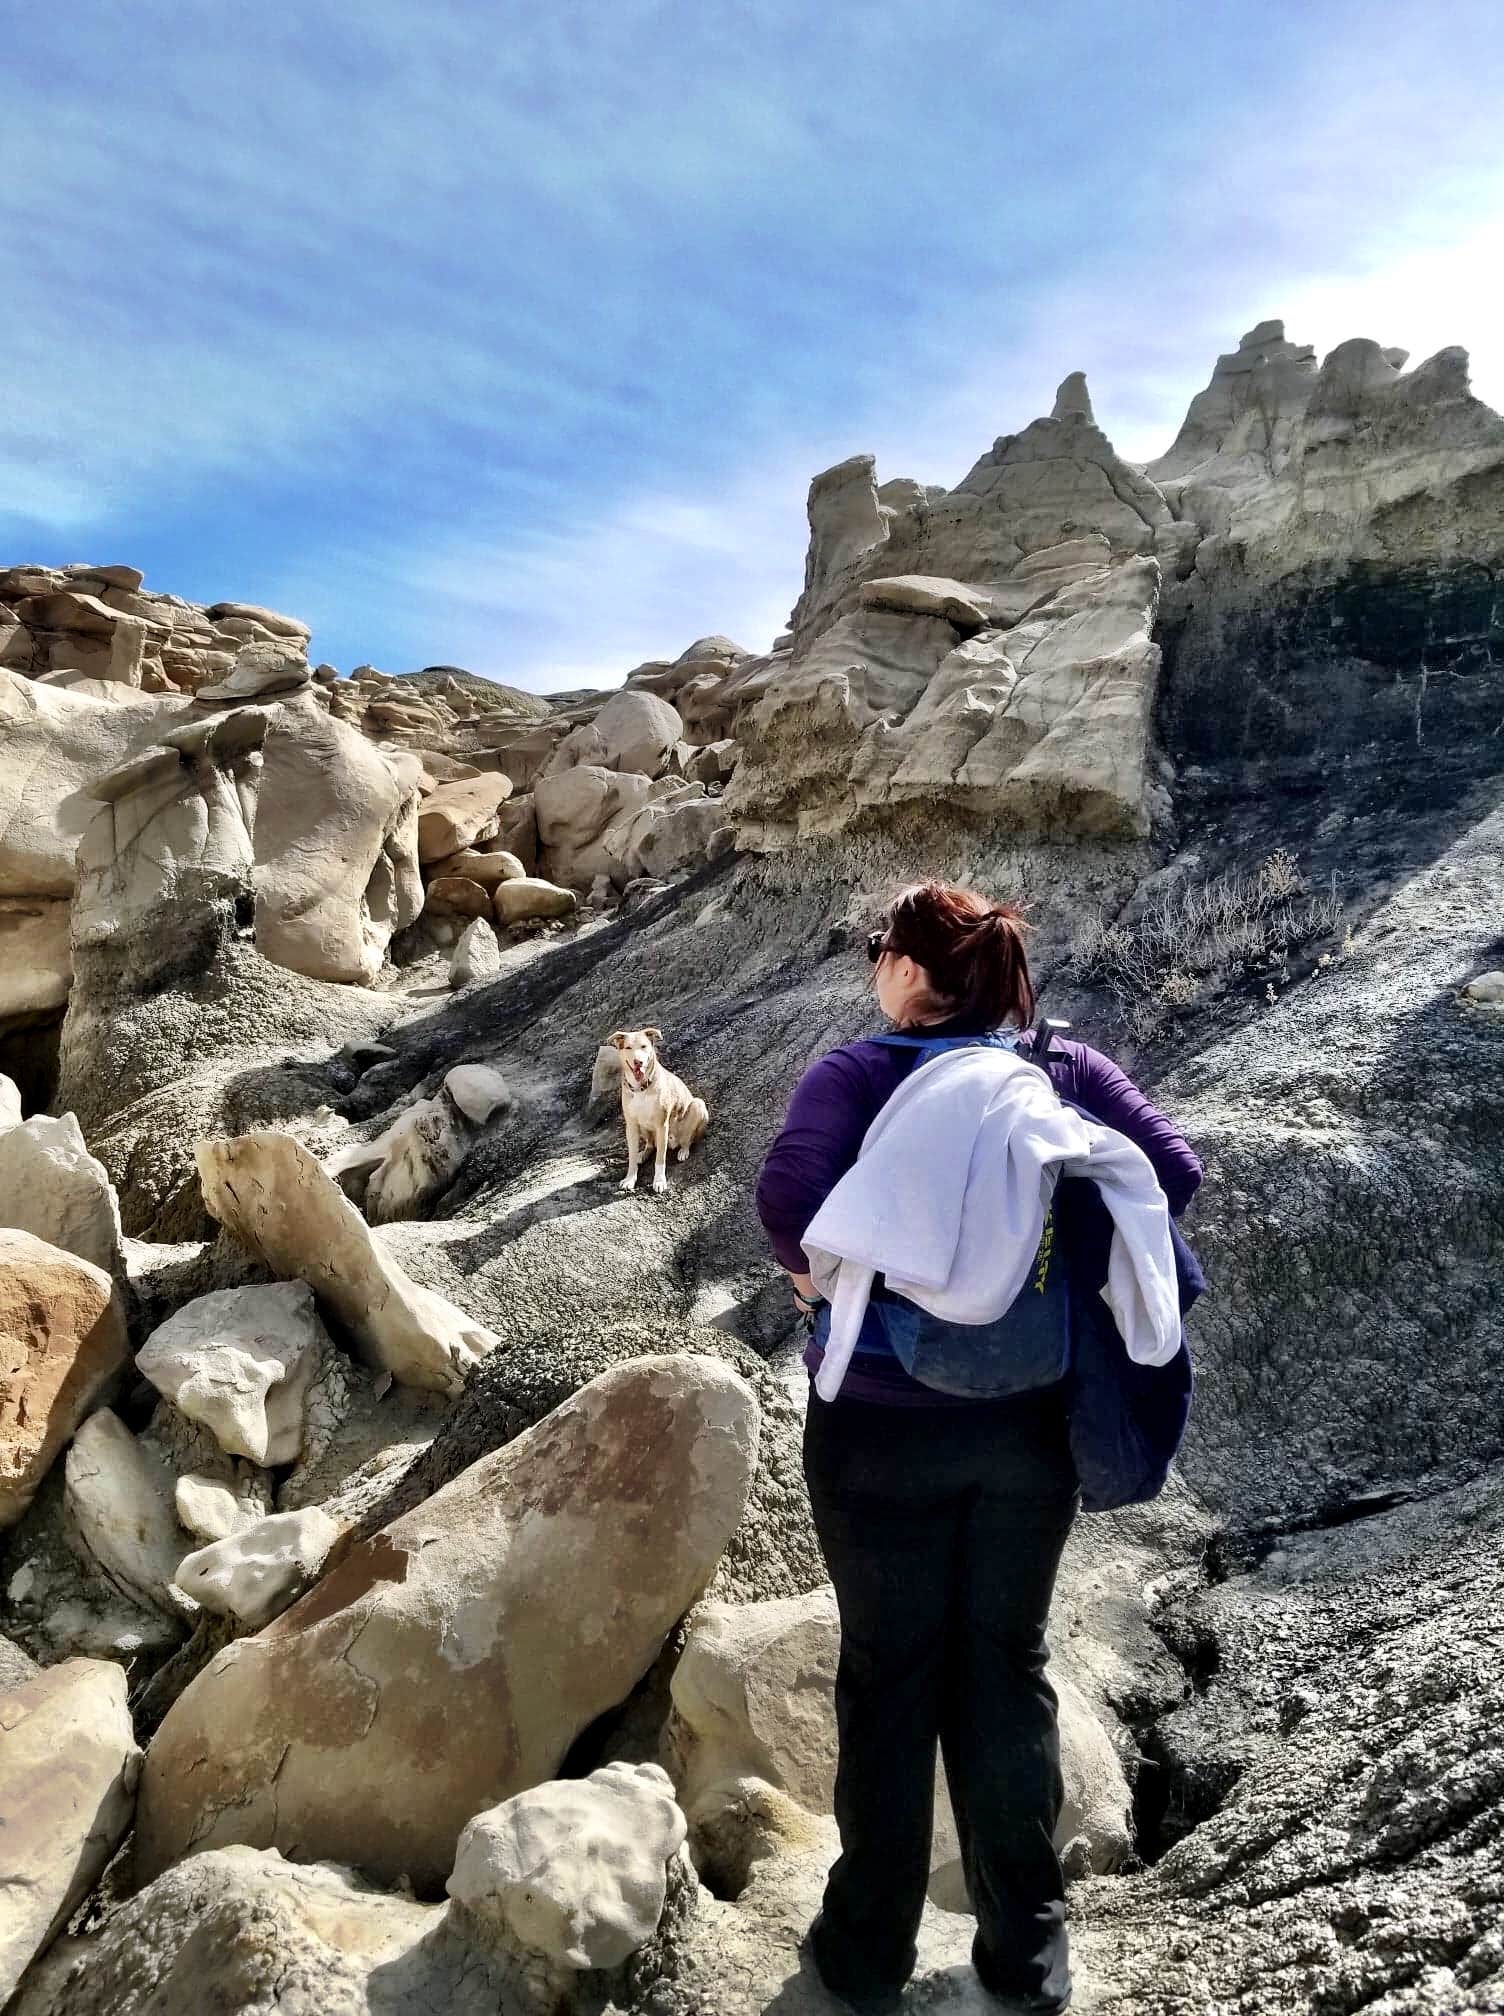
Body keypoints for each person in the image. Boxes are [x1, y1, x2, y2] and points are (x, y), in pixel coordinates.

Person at [755, 880, 1202, 2015]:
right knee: (1005, 1672)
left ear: (911, 971)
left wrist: (852, 1287)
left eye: (879, 950)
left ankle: (863, 1959)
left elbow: (786, 1204)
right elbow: (1172, 1172)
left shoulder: (856, 1074)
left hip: (874, 1430)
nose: (872, 966)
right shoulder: (1066, 1072)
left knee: (889, 1679)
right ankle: (1028, 1954)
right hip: (1025, 1432)